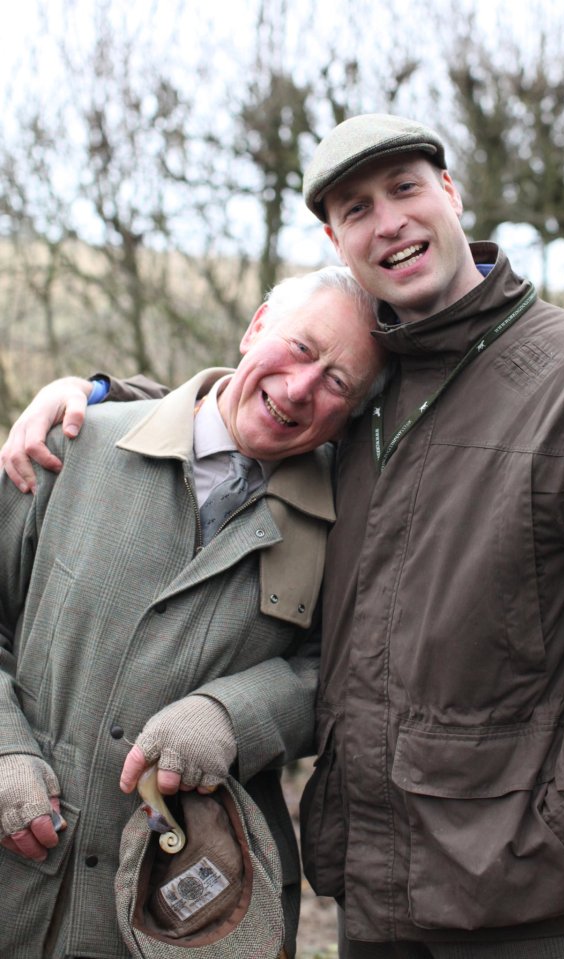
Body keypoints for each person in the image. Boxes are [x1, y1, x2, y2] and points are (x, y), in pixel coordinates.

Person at [3, 114, 564, 959]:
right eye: (356, 207)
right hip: (363, 896)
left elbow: (338, 659)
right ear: (326, 248)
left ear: (452, 193)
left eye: (407, 188)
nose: (390, 220)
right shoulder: (86, 451)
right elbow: (226, 420)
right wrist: (87, 392)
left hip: (519, 894)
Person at [0, 264, 386, 959]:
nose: (300, 388)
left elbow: (348, 672)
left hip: (193, 903)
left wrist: (235, 713)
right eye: (301, 348)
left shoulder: (348, 522)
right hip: (19, 871)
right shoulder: (73, 445)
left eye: (338, 382)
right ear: (255, 327)